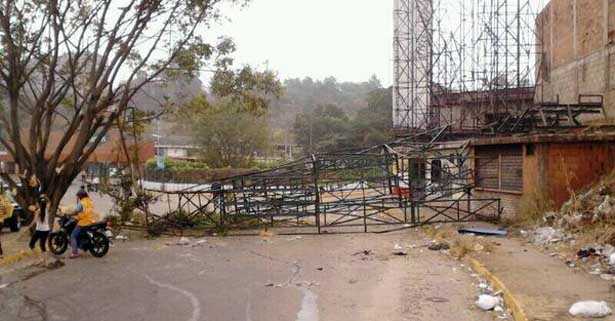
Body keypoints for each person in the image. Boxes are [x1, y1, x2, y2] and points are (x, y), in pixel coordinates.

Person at [67, 189, 96, 259]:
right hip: (91, 220)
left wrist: (69, 213)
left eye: (78, 196)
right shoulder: (89, 201)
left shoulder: (82, 202)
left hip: (84, 222)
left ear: (81, 196)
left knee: (73, 236)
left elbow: (76, 210)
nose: (78, 197)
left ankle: (74, 253)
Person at [28, 195, 51, 265]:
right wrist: (45, 197)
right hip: (46, 230)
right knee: (42, 245)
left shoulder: (38, 211)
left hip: (39, 230)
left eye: (37, 203)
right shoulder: (47, 208)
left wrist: (29, 226)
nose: (36, 204)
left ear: (39, 204)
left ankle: (39, 259)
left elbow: (34, 221)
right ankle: (45, 262)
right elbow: (49, 201)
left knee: (31, 244)